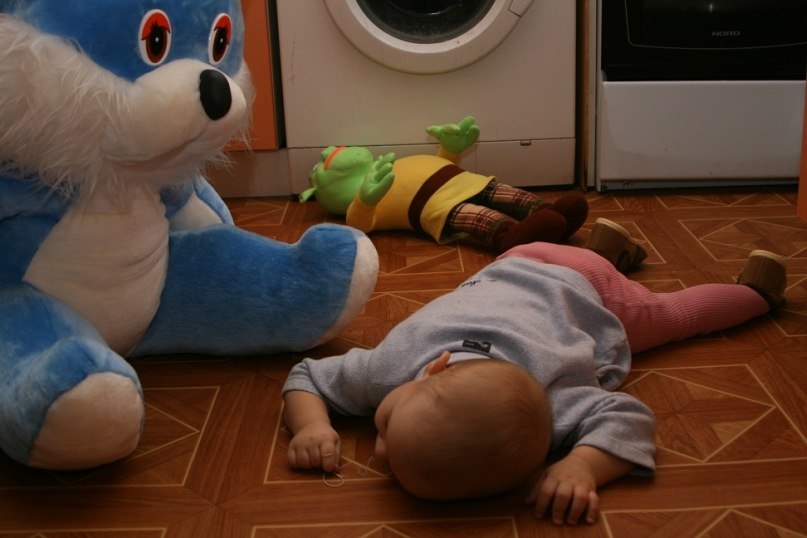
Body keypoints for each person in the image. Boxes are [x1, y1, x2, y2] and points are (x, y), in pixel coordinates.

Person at [281, 217, 787, 525]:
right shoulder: (395, 376)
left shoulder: (550, 398)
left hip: (590, 289)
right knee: (596, 270)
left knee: (672, 317)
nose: (378, 450)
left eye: (385, 428)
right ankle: (604, 248)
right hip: (518, 260)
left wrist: (583, 465)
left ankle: (756, 294)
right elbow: (307, 376)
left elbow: (631, 419)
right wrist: (310, 424)